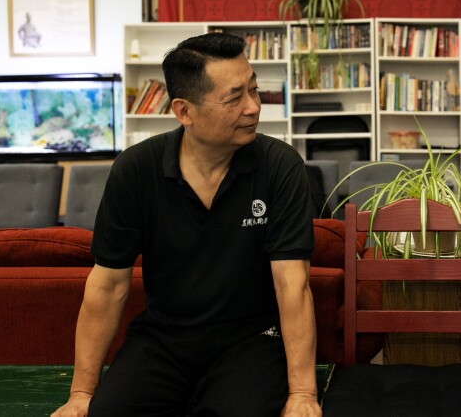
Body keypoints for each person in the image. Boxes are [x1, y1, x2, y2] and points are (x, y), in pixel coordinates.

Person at [52, 32, 321, 417]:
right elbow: (108, 284)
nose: (253, 108)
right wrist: (81, 393)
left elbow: (291, 283)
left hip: (250, 340)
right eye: (234, 97)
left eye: (254, 90)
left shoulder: (280, 167)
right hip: (163, 338)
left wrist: (303, 395)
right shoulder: (136, 170)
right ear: (184, 111)